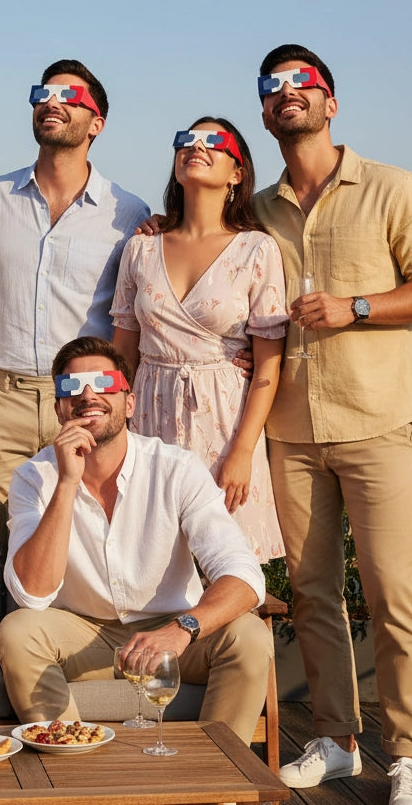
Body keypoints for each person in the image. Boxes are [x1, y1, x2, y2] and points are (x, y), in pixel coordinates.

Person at [254, 44, 412, 804]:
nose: (286, 94)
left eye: (301, 83)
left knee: (392, 594)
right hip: (291, 429)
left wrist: (356, 307)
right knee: (310, 593)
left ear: (330, 102)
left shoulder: (393, 187)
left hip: (376, 422)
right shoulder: (258, 206)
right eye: (272, 86)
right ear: (265, 109)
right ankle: (336, 741)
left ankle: (409, 756)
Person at [0, 336, 271, 746]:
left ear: (129, 400)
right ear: (59, 408)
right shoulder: (35, 478)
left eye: (104, 382)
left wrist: (182, 629)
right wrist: (67, 484)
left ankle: (216, 779)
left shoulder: (176, 469)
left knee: (249, 636)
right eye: (71, 387)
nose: (88, 395)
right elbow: (32, 596)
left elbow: (245, 575)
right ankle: (79, 778)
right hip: (83, 634)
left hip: (172, 632)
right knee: (18, 632)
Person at [0, 60, 149, 523]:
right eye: (43, 94)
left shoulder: (128, 213)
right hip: (0, 399)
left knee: (88, 526)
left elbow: (141, 305)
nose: (51, 102)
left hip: (87, 401)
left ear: (97, 123)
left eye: (69, 98)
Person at [111, 117, 287, 561]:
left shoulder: (256, 249)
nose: (197, 146)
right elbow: (121, 356)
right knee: (158, 564)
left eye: (214, 141)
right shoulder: (141, 248)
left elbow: (269, 362)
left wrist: (243, 451)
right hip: (151, 414)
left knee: (229, 563)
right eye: (186, 139)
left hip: (225, 420)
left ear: (237, 172)